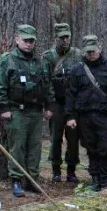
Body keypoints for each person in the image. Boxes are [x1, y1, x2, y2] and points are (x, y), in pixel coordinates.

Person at [0, 24, 54, 198]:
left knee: (35, 147)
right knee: (17, 146)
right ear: (17, 40)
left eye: (31, 41)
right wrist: (3, 108)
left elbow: (47, 86)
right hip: (16, 111)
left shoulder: (41, 62)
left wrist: (49, 106)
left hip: (35, 111)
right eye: (25, 40)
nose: (28, 44)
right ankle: (17, 180)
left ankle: (32, 179)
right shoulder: (8, 60)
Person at [66, 35, 107, 192]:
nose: (91, 54)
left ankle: (105, 179)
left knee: (105, 148)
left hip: (105, 115)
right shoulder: (77, 70)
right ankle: (95, 178)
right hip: (84, 116)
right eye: (88, 51)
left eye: (93, 51)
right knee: (90, 147)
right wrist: (70, 116)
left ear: (100, 48)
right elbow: (71, 94)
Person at [42, 23, 82, 183]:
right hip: (57, 105)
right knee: (56, 139)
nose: (65, 40)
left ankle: (71, 170)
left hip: (73, 105)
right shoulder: (48, 57)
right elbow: (46, 83)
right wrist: (49, 105)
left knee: (73, 140)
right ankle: (56, 170)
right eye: (62, 37)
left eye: (67, 37)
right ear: (56, 38)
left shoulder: (78, 55)